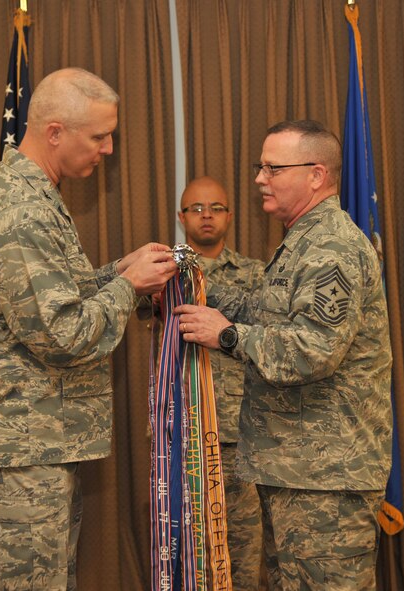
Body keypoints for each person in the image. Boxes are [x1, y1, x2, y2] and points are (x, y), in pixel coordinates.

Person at [0, 67, 177, 591]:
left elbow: (54, 298)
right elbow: (60, 333)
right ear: (55, 132)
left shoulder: (38, 195)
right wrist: (128, 288)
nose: (109, 148)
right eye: (98, 136)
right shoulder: (20, 207)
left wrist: (120, 272)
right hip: (21, 454)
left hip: (37, 446)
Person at [174, 120, 392, 590]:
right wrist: (192, 288)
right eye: (260, 167)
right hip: (295, 470)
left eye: (273, 168)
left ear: (316, 175)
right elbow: (264, 311)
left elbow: (313, 351)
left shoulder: (330, 247)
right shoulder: (302, 242)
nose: (259, 178)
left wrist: (227, 337)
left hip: (325, 478)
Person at [178, 176, 266, 589]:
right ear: (182, 218)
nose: (206, 215)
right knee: (189, 553)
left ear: (230, 215)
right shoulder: (164, 274)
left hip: (241, 433)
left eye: (215, 207)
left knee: (244, 552)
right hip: (184, 434)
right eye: (197, 208)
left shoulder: (256, 274)